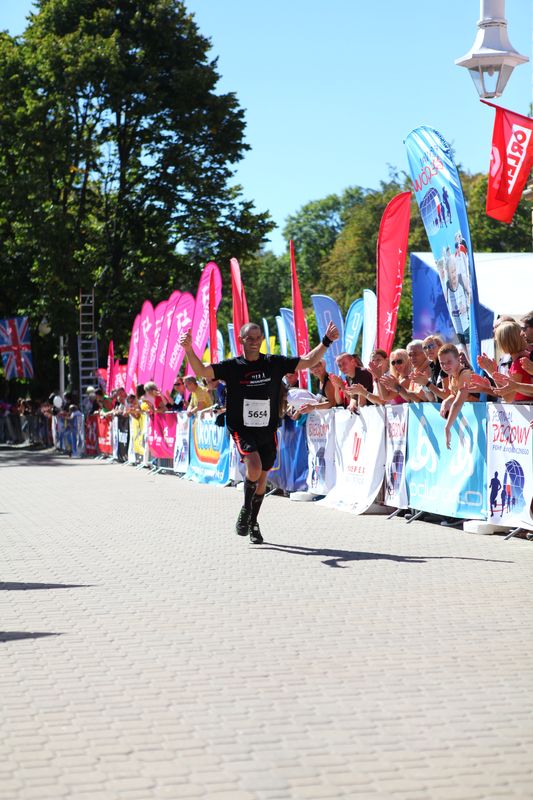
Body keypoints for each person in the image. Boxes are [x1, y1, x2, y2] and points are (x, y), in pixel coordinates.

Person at [179, 320, 339, 543]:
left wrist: (326, 341)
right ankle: (246, 509)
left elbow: (309, 360)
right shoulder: (232, 366)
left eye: (257, 338)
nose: (254, 342)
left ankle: (253, 522)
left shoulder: (274, 362)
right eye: (249, 338)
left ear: (262, 339)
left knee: (262, 476)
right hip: (242, 428)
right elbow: (201, 371)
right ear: (241, 340)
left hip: (267, 428)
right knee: (253, 467)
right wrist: (188, 349)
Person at [438, 344, 474, 449]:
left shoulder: (465, 374)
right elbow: (454, 394)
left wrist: (447, 427)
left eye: (449, 362)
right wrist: (446, 401)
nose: (445, 366)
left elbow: (458, 403)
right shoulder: (452, 375)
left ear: (458, 359)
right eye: (442, 363)